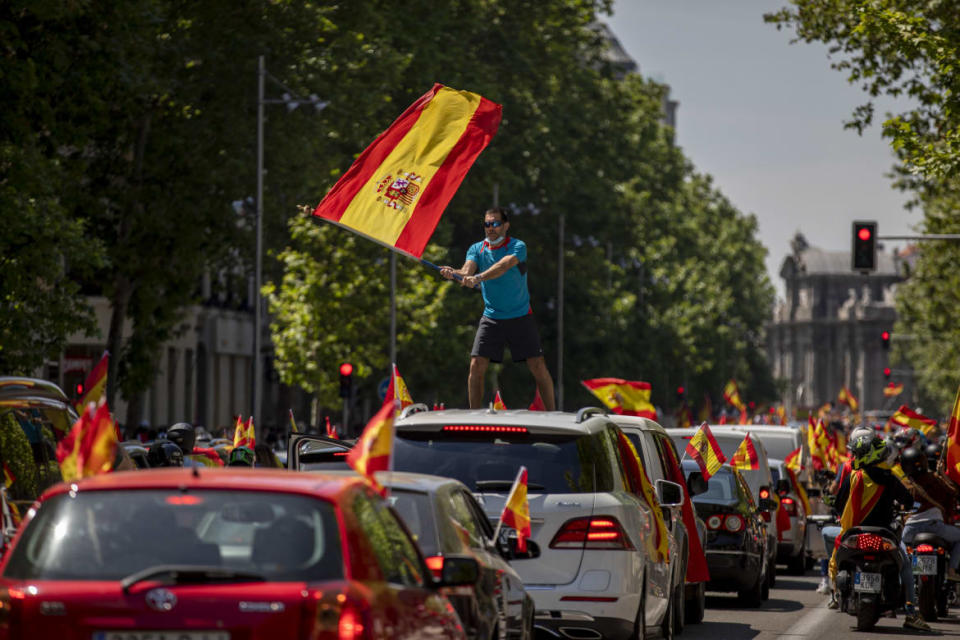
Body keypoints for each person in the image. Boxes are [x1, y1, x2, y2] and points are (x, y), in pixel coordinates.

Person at [439, 207, 556, 410]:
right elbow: (466, 271)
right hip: (492, 317)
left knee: (537, 366)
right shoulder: (476, 249)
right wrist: (453, 272)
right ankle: (474, 417)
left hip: (520, 316)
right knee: (476, 365)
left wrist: (478, 278)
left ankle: (553, 413)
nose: (490, 228)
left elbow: (502, 266)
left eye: (495, 224)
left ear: (506, 226)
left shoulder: (518, 246)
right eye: (487, 224)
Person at [832, 431, 931, 631]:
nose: (854, 458)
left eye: (858, 454)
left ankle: (833, 590)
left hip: (854, 533)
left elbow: (839, 504)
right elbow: (908, 501)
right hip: (885, 534)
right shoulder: (891, 477)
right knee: (906, 567)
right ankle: (911, 613)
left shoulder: (855, 476)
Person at [900, 446, 960, 581]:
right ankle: (951, 570)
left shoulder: (905, 484)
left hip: (910, 531)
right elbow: (953, 492)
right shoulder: (935, 479)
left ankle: (903, 575)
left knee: (899, 547)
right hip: (936, 528)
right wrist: (942, 475)